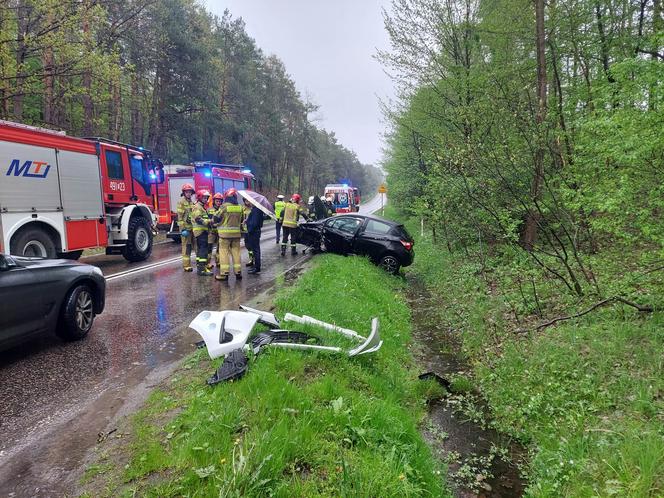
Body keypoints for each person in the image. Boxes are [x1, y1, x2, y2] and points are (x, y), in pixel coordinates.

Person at [215, 188, 244, 282]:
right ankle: (238, 272)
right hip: (236, 235)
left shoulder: (224, 206)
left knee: (224, 253)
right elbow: (242, 219)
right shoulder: (240, 207)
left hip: (225, 235)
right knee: (236, 253)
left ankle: (224, 274)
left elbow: (216, 217)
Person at [191, 189, 213, 276]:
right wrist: (209, 222)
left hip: (202, 231)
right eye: (204, 197)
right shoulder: (198, 207)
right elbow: (198, 219)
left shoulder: (201, 206)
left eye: (206, 198)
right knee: (203, 250)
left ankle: (201, 267)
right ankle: (202, 269)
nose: (205, 199)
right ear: (200, 197)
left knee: (201, 249)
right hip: (200, 231)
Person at [176, 183, 195, 272]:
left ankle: (200, 264)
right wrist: (183, 229)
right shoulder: (181, 202)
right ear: (184, 193)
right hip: (186, 229)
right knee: (187, 247)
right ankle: (186, 265)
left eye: (190, 192)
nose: (188, 193)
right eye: (187, 192)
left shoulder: (192, 202)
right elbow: (180, 217)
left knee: (196, 246)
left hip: (193, 228)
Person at [206, 192, 224, 270]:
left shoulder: (223, 210)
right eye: (217, 201)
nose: (218, 203)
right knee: (209, 248)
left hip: (220, 232)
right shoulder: (209, 210)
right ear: (214, 201)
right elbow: (208, 221)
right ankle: (207, 263)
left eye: (220, 201)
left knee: (219, 248)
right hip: (211, 232)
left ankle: (218, 261)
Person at [245, 203, 264, 274]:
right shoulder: (257, 210)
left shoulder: (256, 210)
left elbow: (254, 223)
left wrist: (249, 229)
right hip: (256, 231)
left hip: (254, 232)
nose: (250, 203)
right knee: (256, 249)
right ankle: (256, 267)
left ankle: (257, 267)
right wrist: (247, 221)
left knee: (256, 250)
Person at [242, 198, 254, 267]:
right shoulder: (242, 209)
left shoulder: (253, 209)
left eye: (248, 200)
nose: (248, 202)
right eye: (246, 201)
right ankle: (251, 259)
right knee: (247, 246)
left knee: (251, 246)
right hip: (245, 230)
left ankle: (253, 259)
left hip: (251, 230)